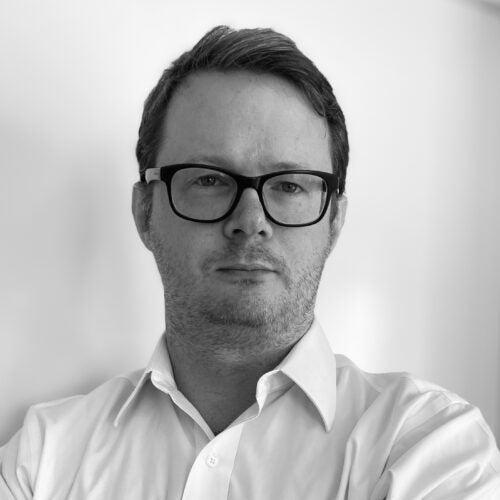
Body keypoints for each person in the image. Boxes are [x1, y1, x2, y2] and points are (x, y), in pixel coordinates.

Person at [1, 25, 499, 500]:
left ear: (335, 220)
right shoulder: (44, 453)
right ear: (144, 211)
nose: (250, 221)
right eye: (209, 180)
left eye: (289, 186)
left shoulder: (426, 445)